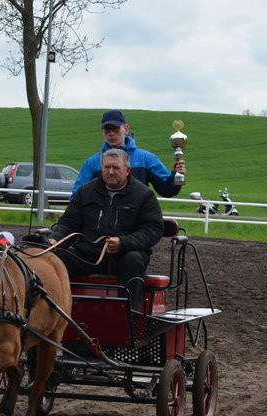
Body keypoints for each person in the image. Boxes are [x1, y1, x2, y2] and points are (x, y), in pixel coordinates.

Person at [49, 148, 164, 311]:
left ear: (127, 170)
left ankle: (130, 316)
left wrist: (123, 243)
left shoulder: (144, 195)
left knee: (133, 260)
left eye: (116, 168)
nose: (110, 172)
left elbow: (153, 230)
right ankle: (54, 312)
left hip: (124, 256)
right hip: (87, 255)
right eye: (106, 167)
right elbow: (68, 223)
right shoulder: (85, 192)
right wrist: (55, 240)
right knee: (56, 260)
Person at [71, 109, 185, 198]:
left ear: (126, 129)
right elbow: (77, 196)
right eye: (107, 129)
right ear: (103, 132)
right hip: (102, 221)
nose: (111, 133)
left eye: (115, 129)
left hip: (137, 220)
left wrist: (176, 175)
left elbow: (167, 191)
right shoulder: (92, 163)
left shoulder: (146, 159)